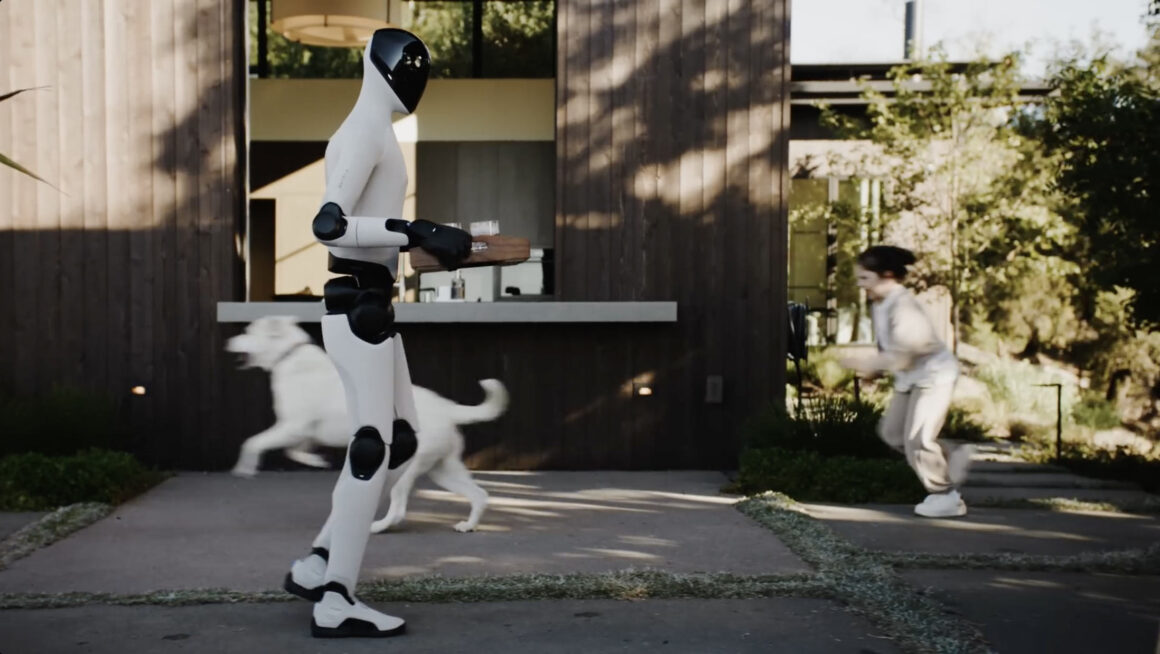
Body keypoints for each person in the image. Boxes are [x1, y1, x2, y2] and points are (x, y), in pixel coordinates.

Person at [840, 245, 972, 518]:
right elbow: (890, 350)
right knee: (892, 434)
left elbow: (904, 354)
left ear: (887, 276)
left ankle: (946, 496)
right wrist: (874, 367)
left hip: (934, 376)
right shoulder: (880, 304)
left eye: (865, 278)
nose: (860, 285)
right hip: (909, 378)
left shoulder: (903, 305)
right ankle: (950, 458)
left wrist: (863, 364)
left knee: (918, 439)